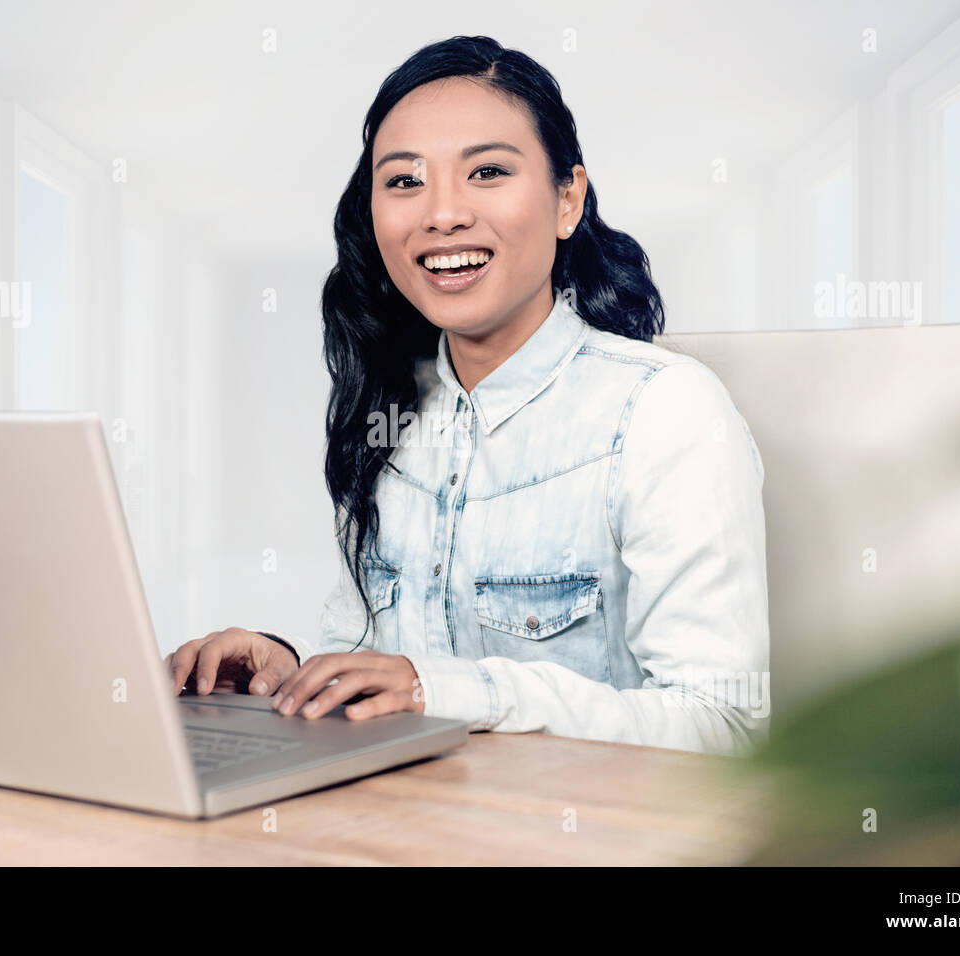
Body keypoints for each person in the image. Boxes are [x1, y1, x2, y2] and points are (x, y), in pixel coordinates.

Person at [167, 35, 770, 756]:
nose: (442, 214)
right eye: (404, 181)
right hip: (408, 824)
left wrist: (448, 691)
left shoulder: (666, 411)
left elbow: (725, 724)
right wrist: (285, 666)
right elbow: (368, 649)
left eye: (487, 171)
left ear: (566, 200)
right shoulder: (392, 408)